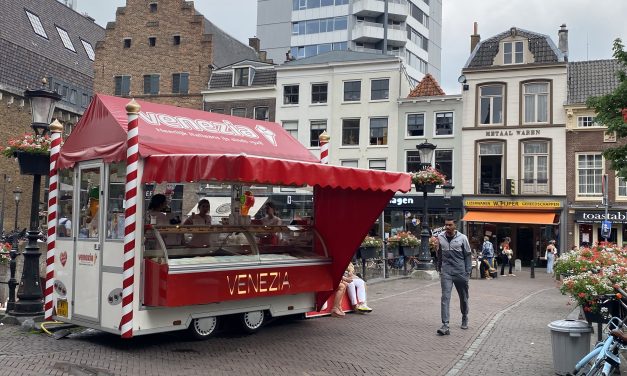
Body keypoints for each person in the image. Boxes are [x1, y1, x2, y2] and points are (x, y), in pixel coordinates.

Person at [436, 218, 472, 335]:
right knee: (445, 298)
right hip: (446, 272)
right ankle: (445, 325)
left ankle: (465, 316)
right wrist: (439, 267)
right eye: (446, 225)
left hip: (460, 272)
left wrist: (467, 272)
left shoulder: (463, 238)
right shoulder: (440, 237)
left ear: (455, 226)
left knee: (463, 297)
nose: (447, 227)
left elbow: (468, 255)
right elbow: (440, 253)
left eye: (450, 225)